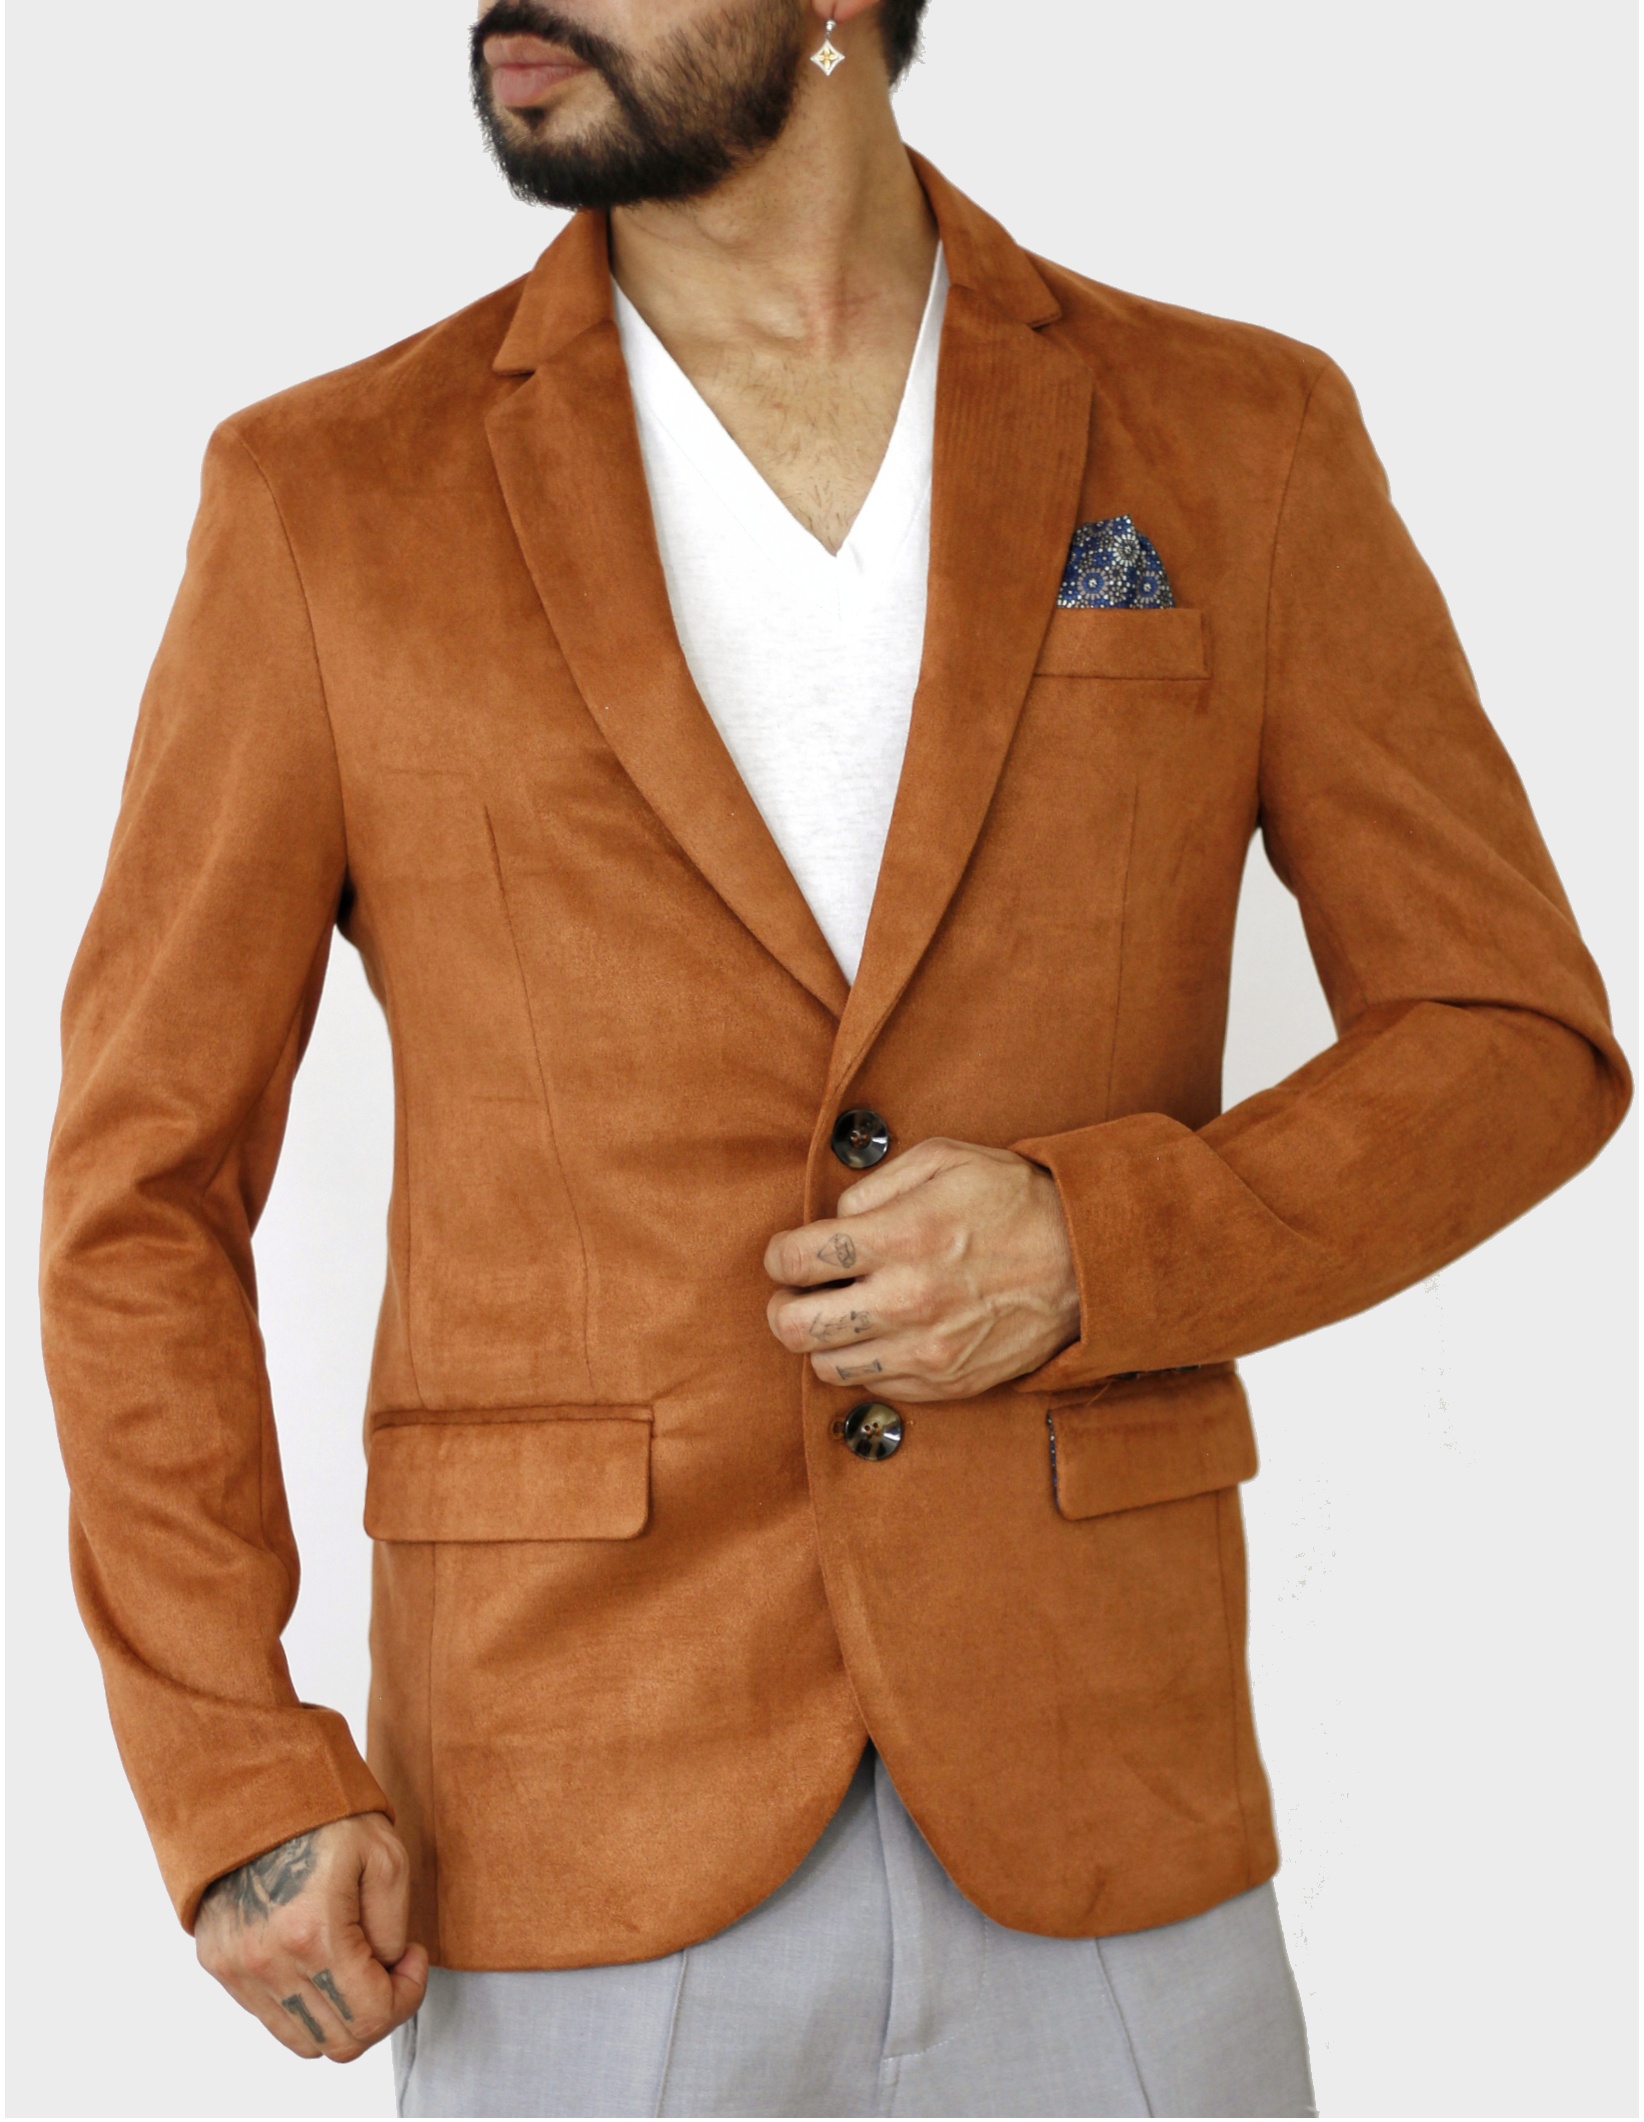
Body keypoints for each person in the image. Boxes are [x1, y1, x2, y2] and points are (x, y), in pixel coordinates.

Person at [39, 1, 1631, 2115]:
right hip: (570, 1818)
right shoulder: (325, 495)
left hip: (1100, 1794)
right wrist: (228, 1759)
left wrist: (1099, 1240)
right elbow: (142, 1188)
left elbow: (1510, 1034)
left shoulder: (1235, 435)